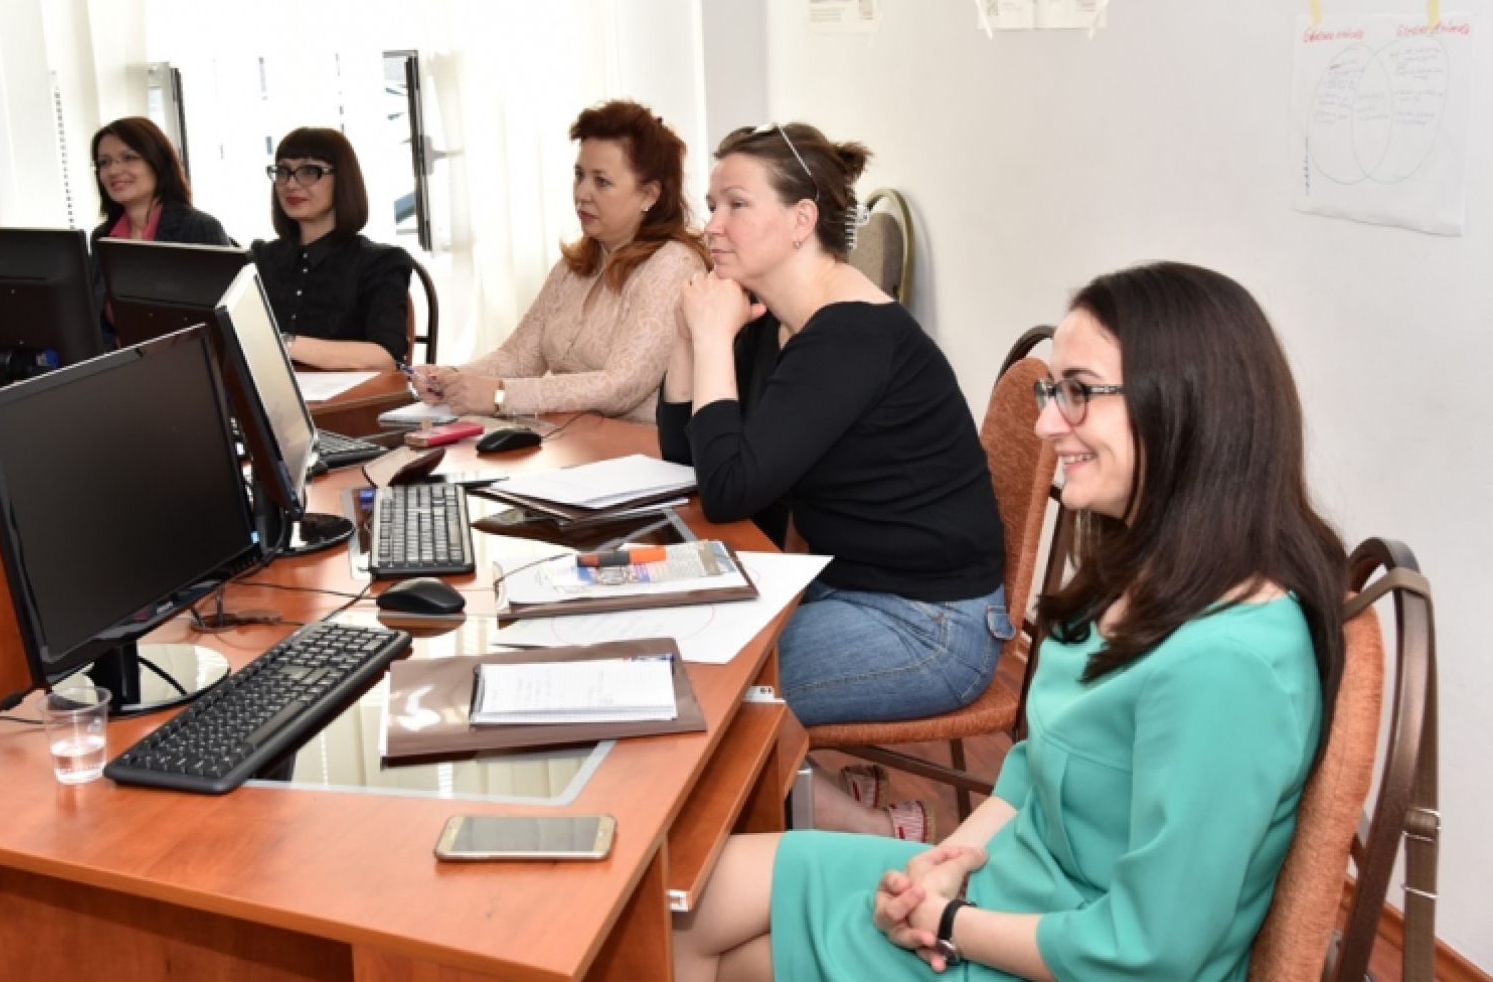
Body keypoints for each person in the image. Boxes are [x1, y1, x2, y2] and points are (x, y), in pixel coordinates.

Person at [672, 262, 1348, 982]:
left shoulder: (1229, 665)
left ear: (1185, 407)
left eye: (1079, 392)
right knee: (688, 895)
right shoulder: (1141, 571)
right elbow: (1031, 773)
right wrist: (947, 864)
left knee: (715, 949)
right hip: (1011, 886)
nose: (1046, 423)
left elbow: (1147, 953)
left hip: (1067, 952)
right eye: (1052, 392)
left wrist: (949, 921)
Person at [658, 122, 1008, 839]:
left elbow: (728, 491)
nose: (712, 225)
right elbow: (690, 466)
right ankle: (820, 794)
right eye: (712, 204)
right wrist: (694, 338)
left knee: (709, 692)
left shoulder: (849, 337)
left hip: (929, 624)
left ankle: (876, 832)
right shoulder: (778, 322)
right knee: (688, 652)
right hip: (850, 588)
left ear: (801, 220)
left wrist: (714, 336)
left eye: (735, 205)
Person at [411, 100, 707, 422]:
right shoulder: (575, 265)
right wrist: (451, 377)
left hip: (637, 445)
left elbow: (620, 387)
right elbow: (519, 357)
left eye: (601, 181)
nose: (581, 193)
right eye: (579, 175)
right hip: (567, 438)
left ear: (649, 195)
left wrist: (500, 395)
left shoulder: (674, 264)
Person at [252, 127, 412, 370]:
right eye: (282, 171)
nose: (290, 184)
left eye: (309, 171)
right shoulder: (260, 258)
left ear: (342, 180)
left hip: (350, 395)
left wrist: (283, 343)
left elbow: (385, 355)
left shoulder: (381, 262)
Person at [89, 116, 231, 342]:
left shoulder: (198, 228)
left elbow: (224, 325)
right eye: (104, 162)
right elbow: (98, 324)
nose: (113, 170)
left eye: (129, 157)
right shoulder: (102, 237)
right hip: (122, 360)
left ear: (157, 162)